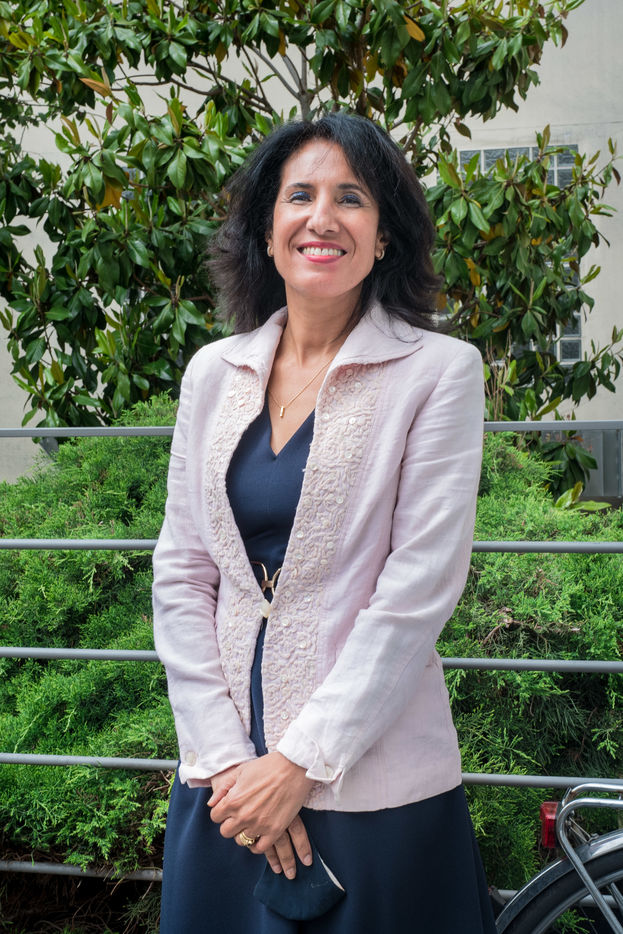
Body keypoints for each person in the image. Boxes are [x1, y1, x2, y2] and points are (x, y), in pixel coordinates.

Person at [152, 112, 496, 933]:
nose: (322, 217)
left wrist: (297, 766)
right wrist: (232, 765)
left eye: (351, 198)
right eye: (299, 195)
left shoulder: (438, 373)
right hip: (225, 787)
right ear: (266, 230)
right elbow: (182, 571)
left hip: (372, 789)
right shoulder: (212, 373)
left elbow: (416, 592)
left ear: (383, 235)